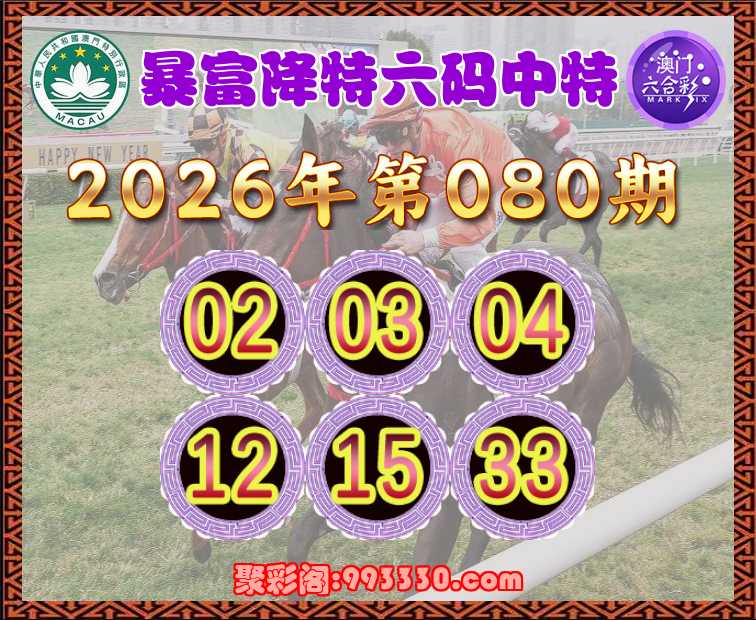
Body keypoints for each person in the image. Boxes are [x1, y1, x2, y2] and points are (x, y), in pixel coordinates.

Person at [361, 97, 521, 274]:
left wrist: (424, 238)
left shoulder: (456, 139)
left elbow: (478, 221)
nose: (390, 145)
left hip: (501, 176)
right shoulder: (389, 155)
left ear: (416, 126)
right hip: (451, 187)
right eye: (382, 136)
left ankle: (494, 287)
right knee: (421, 251)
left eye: (397, 134)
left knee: (464, 248)